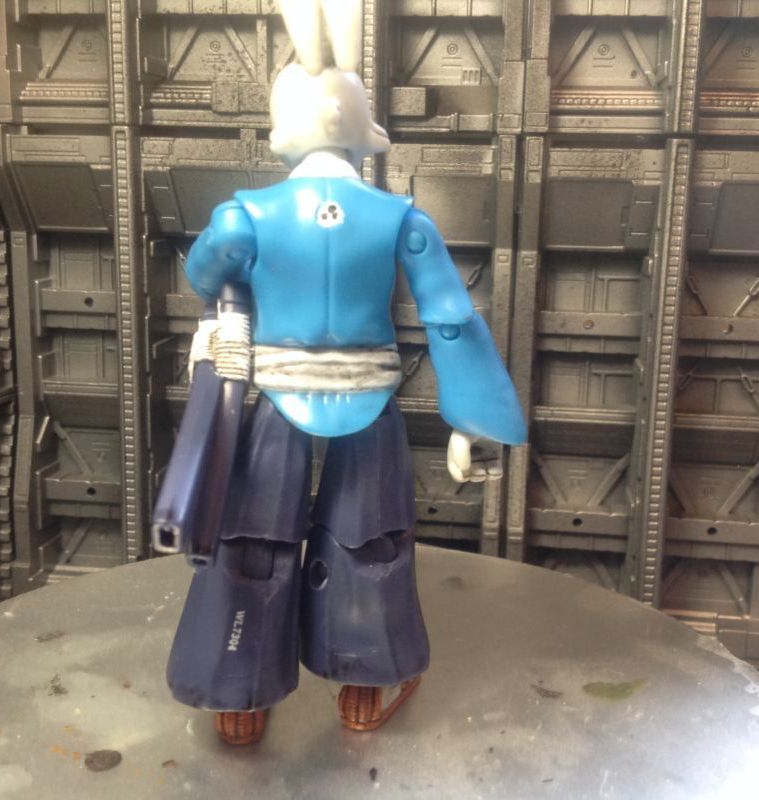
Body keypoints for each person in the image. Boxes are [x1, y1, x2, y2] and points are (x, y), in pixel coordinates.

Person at [163, 0, 526, 745]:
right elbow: (450, 316)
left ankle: (241, 689)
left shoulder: (246, 215)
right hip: (369, 402)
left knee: (253, 540)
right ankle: (365, 676)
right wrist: (472, 421)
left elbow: (203, 274)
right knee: (371, 541)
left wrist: (233, 254)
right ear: (362, 129)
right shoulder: (400, 219)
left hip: (275, 396)